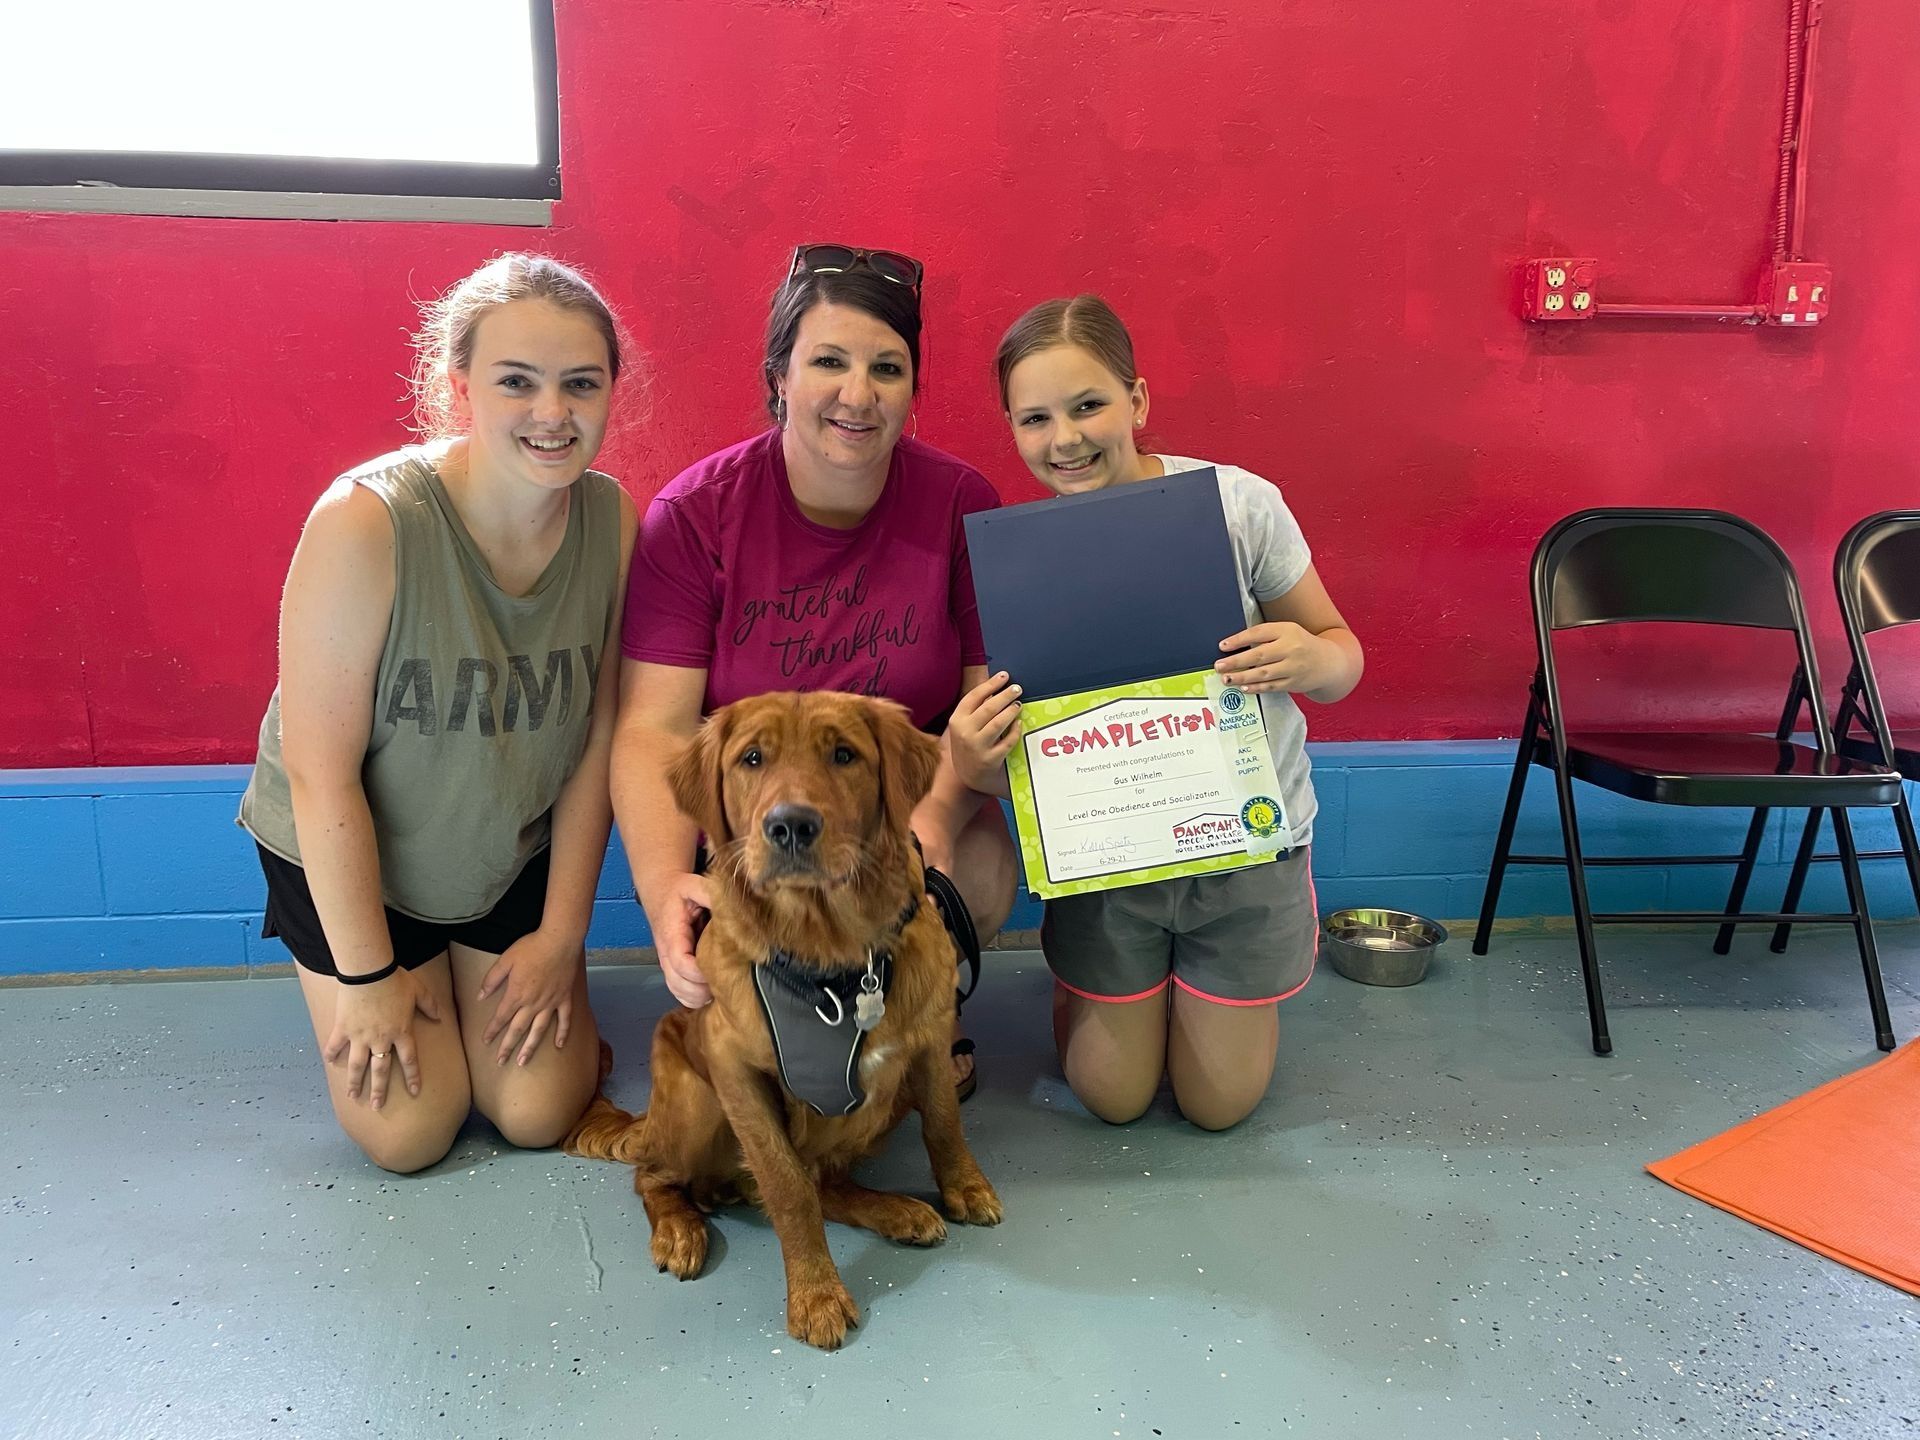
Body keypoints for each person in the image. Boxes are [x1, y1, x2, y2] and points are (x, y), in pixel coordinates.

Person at [239, 254, 638, 1172]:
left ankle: (483, 988)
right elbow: (319, 770)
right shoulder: (367, 522)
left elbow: (598, 743)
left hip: (499, 851)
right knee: (413, 1133)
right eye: (517, 383)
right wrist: (369, 978)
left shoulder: (613, 524)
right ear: (460, 387)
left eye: (581, 384)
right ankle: (410, 980)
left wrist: (560, 936)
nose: (553, 413)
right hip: (360, 863)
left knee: (538, 1112)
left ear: (613, 391)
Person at [949, 294, 1364, 1130]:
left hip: (1244, 851)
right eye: (1035, 419)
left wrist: (1309, 656)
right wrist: (970, 756)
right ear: (1013, 427)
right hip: (1113, 858)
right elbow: (1011, 756)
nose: (1065, 438)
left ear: (1136, 400)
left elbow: (1342, 658)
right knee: (1114, 1097)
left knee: (1218, 1106)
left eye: (1089, 405)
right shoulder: (1016, 560)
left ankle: (1205, 1000)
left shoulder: (1237, 505)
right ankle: (1111, 996)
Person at [615, 244, 1017, 1099]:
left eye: (888, 368)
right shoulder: (695, 515)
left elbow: (990, 708)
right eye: (828, 361)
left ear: (913, 389)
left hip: (897, 816)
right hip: (764, 826)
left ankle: (906, 1020)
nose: (858, 395)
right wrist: (663, 888)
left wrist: (937, 817)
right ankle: (779, 1021)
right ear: (780, 376)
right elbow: (654, 727)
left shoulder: (961, 505)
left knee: (981, 871)